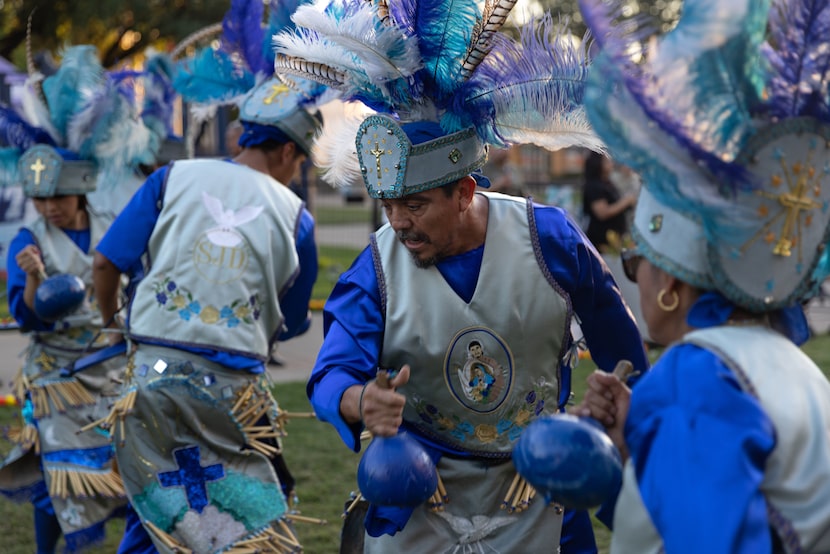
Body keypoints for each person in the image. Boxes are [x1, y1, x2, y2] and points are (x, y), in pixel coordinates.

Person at [273, 5, 648, 551]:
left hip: (540, 496)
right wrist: (361, 402)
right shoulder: (374, 269)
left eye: (417, 205)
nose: (399, 222)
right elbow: (332, 373)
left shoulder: (551, 240)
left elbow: (625, 352)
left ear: (465, 194)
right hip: (422, 503)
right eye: (389, 205)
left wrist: (618, 402)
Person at [573, 0, 830, 551]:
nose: (634, 278)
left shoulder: (695, 376)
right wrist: (630, 445)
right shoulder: (792, 366)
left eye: (637, 262)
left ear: (671, 287)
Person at [91, 74, 322, 553]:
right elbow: (293, 320)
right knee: (253, 529)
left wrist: (111, 322)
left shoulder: (172, 177)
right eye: (299, 161)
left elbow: (105, 261)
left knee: (157, 506)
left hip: (149, 382)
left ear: (244, 135)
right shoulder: (296, 216)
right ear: (287, 153)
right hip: (232, 397)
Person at [0, 44, 160, 553]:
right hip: (55, 377)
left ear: (82, 190)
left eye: (58, 198)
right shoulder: (25, 243)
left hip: (111, 366)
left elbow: (142, 286)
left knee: (124, 468)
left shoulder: (114, 229)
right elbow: (27, 318)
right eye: (40, 198)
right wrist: (30, 282)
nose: (48, 207)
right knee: (57, 479)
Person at [581, 151, 636, 252]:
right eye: (607, 161)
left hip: (615, 241)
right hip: (602, 243)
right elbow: (602, 213)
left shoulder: (607, 182)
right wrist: (626, 201)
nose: (611, 163)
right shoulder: (594, 186)